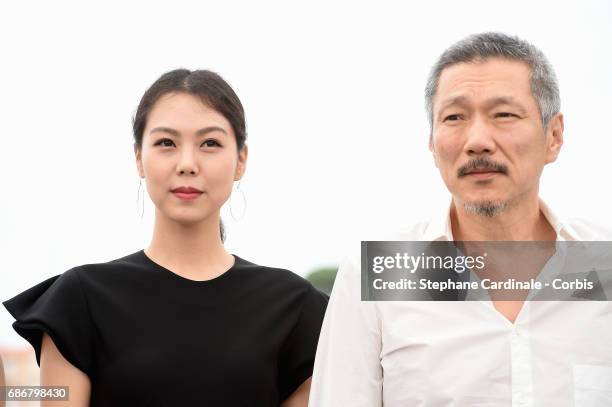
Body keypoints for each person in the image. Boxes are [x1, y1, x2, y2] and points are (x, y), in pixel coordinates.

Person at [309, 32, 612, 406]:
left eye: (504, 114)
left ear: (554, 136)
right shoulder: (382, 270)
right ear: (432, 144)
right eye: (454, 117)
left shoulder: (604, 262)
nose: (477, 140)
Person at [3, 69, 328, 407]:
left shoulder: (297, 309)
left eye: (210, 143)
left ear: (241, 161)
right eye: (166, 143)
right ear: (139, 158)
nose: (187, 164)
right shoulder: (79, 301)